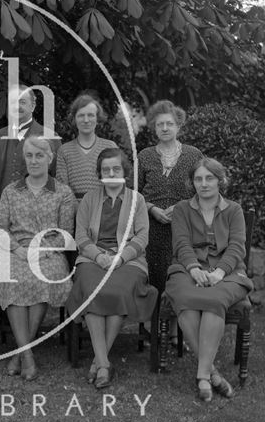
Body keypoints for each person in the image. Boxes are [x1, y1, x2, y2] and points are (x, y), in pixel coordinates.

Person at [65, 148, 158, 389]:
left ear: (124, 171)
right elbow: (81, 236)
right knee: (93, 290)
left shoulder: (137, 200)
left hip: (129, 261)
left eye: (116, 168)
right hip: (92, 259)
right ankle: (105, 363)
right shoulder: (88, 199)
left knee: (117, 291)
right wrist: (98, 256)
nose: (111, 173)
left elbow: (142, 237)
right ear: (99, 173)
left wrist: (119, 259)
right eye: (105, 169)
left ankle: (99, 361)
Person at [165, 158, 253, 402]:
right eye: (198, 179)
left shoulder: (234, 209)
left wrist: (219, 272)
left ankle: (203, 375)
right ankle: (212, 372)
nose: (203, 184)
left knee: (215, 298)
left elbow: (237, 246)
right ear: (192, 183)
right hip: (186, 268)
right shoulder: (182, 208)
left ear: (219, 180)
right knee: (184, 298)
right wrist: (193, 269)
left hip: (228, 270)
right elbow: (181, 243)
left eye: (209, 178)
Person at [0, 136, 76, 380]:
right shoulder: (11, 191)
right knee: (12, 278)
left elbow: (65, 233)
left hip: (48, 252)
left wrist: (42, 250)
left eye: (40, 155)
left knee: (41, 279)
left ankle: (19, 354)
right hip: (14, 250)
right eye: (30, 156)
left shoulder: (63, 193)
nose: (34, 160)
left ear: (50, 159)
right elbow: (0, 227)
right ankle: (27, 355)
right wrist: (18, 250)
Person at [138, 100, 204, 345]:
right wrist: (152, 208)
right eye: (159, 124)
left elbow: (202, 187)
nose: (164, 128)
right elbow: (133, 193)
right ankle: (152, 329)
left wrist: (180, 208)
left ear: (179, 126)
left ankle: (175, 332)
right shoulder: (144, 156)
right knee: (153, 275)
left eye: (170, 124)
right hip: (150, 226)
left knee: (177, 274)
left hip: (183, 226)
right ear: (154, 128)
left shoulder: (194, 155)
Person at [0, 84, 61, 215]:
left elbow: (56, 176)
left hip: (38, 212)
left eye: (22, 102)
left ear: (32, 106)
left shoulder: (51, 137)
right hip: (0, 211)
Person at [55, 93, 117, 199]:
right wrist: (81, 210)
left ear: (97, 119)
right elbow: (62, 191)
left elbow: (116, 185)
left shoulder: (110, 147)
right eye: (81, 115)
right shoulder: (64, 151)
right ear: (74, 119)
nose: (86, 120)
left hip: (104, 210)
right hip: (73, 211)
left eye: (91, 115)